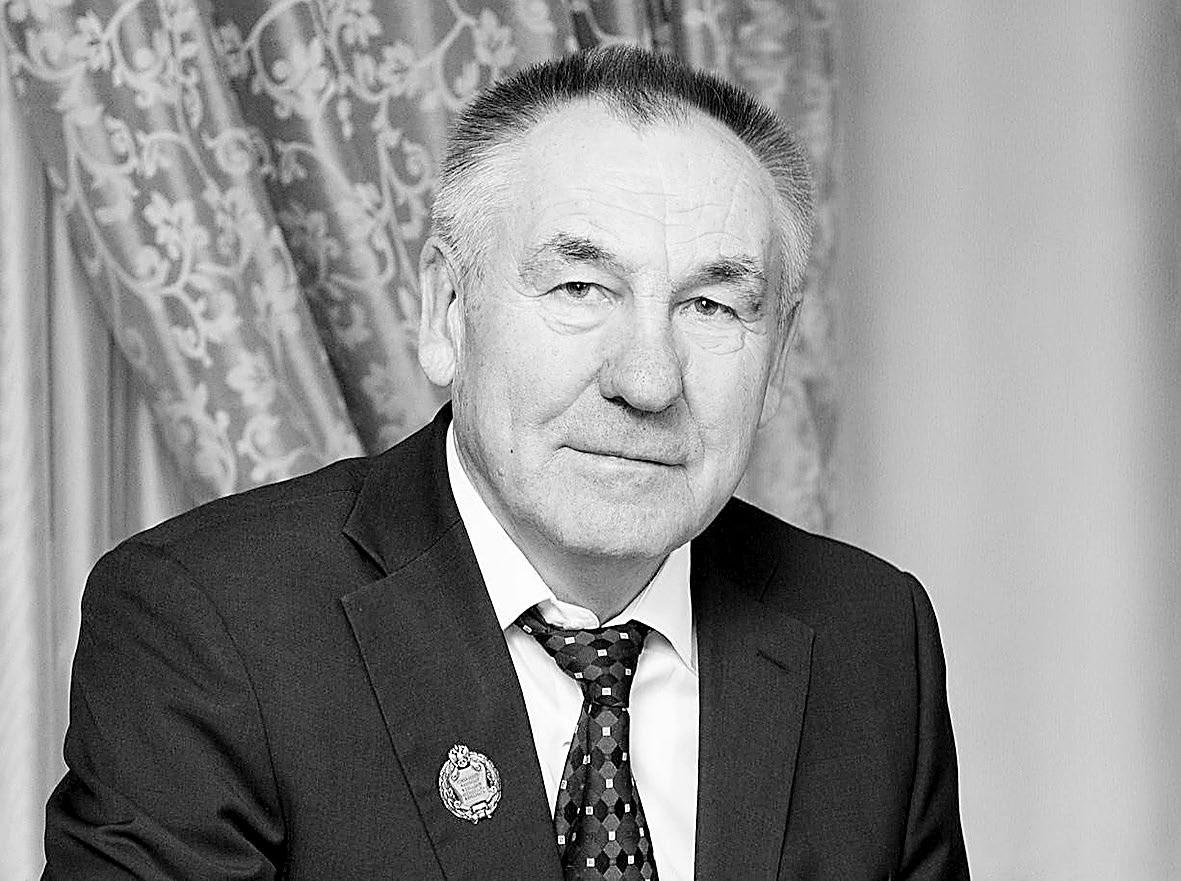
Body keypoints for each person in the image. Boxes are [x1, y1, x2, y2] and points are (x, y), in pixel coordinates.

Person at [43, 46, 969, 881]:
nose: (648, 380)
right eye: (581, 287)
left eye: (712, 307)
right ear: (446, 311)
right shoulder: (210, 622)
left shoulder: (869, 637)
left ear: (776, 357)